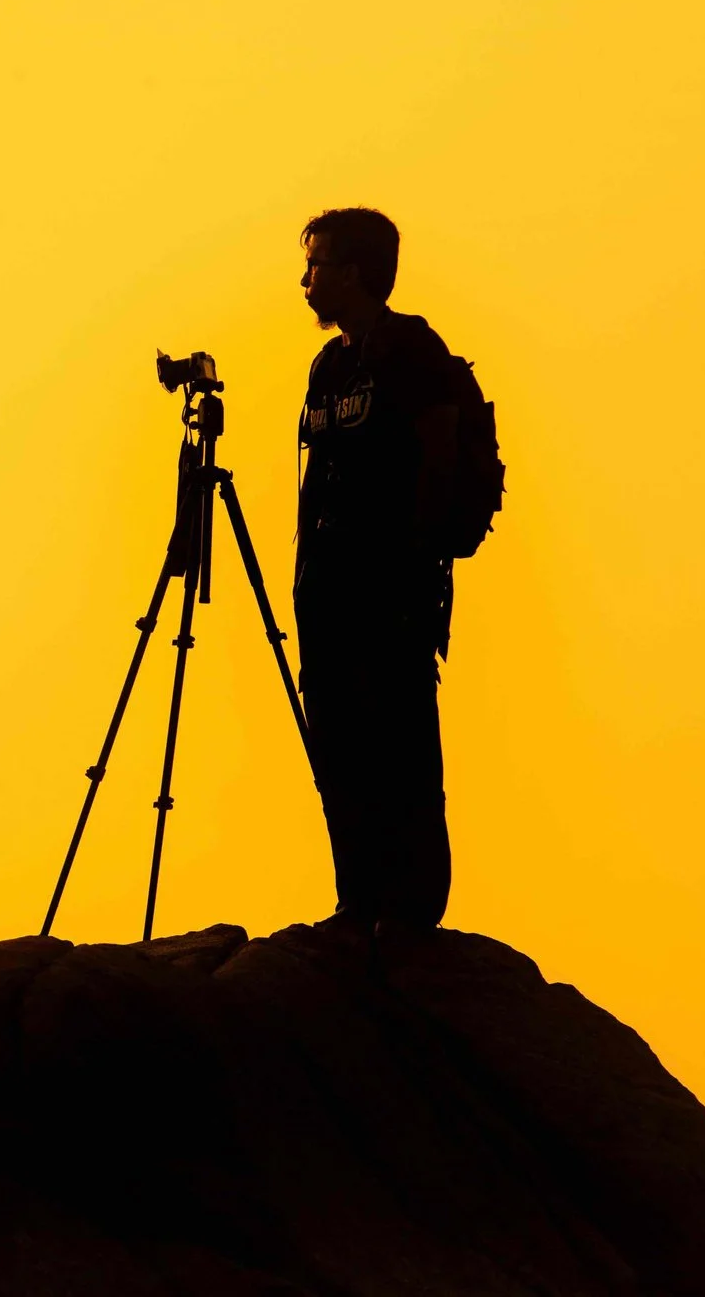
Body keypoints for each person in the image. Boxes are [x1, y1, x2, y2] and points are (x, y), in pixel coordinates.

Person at [293, 208, 484, 931]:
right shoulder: (330, 365)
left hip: (393, 590)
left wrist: (420, 556)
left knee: (399, 746)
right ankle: (358, 901)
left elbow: (438, 450)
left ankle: (410, 911)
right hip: (329, 591)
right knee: (339, 747)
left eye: (317, 265)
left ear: (355, 272)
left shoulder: (410, 347)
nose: (306, 281)